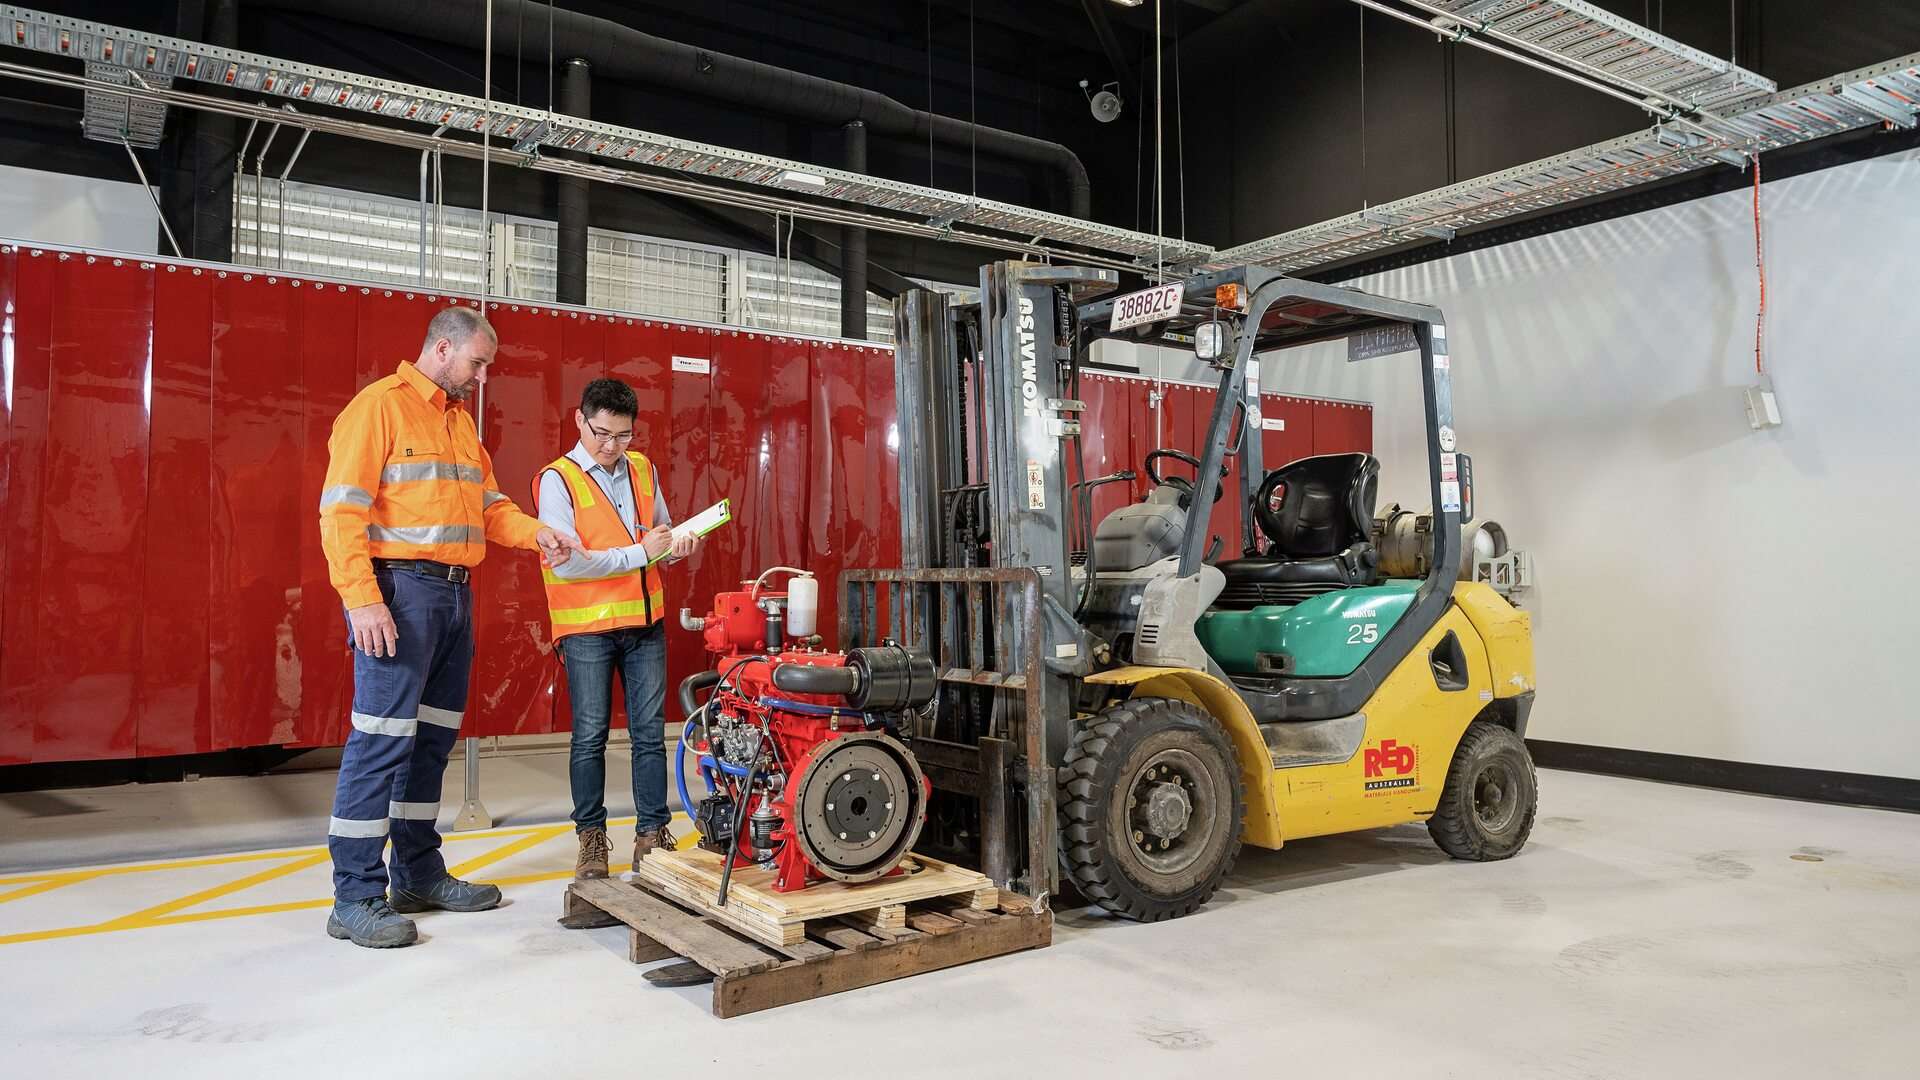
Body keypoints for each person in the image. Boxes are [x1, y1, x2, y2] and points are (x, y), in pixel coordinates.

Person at [317, 305, 578, 949]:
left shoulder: (460, 423)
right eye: (477, 363)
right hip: (398, 596)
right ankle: (353, 896)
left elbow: (489, 508)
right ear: (441, 349)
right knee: (381, 742)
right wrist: (362, 599)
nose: (483, 377)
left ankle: (417, 874)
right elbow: (339, 513)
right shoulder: (377, 409)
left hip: (454, 598)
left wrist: (536, 533)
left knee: (431, 743)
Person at [532, 378, 701, 881]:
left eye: (623, 436)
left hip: (645, 623)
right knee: (589, 737)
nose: (611, 447)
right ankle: (591, 840)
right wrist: (640, 554)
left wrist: (676, 546)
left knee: (650, 735)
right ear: (579, 420)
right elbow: (567, 565)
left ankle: (652, 834)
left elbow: (660, 538)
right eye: (601, 433)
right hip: (587, 629)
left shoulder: (643, 469)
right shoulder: (556, 481)